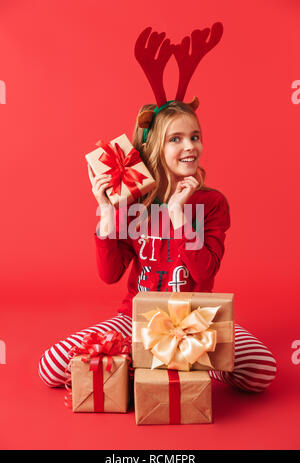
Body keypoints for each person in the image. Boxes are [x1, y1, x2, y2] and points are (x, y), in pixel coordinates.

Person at [38, 101, 277, 392]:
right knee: (51, 367)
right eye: (175, 139)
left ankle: (180, 362)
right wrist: (107, 214)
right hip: (136, 320)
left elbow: (204, 273)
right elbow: (109, 275)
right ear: (154, 148)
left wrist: (177, 213)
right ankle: (161, 359)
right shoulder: (132, 203)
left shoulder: (212, 203)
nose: (189, 146)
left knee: (262, 371)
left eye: (195, 136)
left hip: (197, 319)